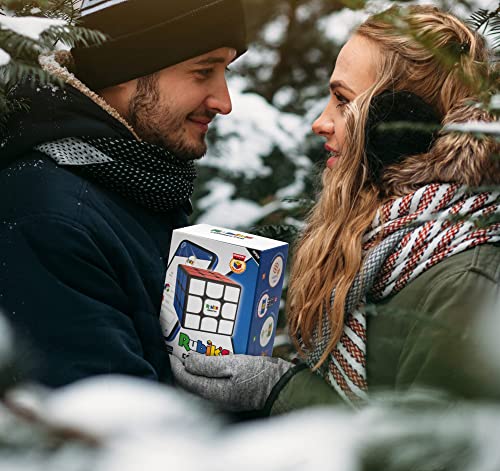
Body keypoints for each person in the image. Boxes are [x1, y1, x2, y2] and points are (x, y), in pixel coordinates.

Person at [172, 4, 500, 414]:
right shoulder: (380, 240)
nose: (320, 121)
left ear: (398, 120)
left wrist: (280, 391)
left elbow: (430, 464)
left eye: (343, 100)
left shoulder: (465, 280)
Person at [0, 0, 247, 387]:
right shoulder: (48, 219)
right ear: (122, 70)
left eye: (225, 71)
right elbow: (105, 426)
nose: (224, 102)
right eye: (203, 72)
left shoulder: (135, 179)